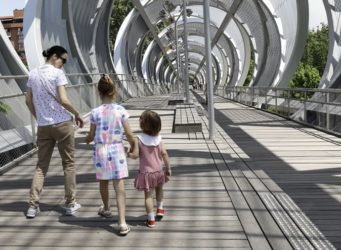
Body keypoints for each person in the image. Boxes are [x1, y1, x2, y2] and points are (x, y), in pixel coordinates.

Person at [25, 45, 84, 218]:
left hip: (43, 126)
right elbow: (64, 100)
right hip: (62, 124)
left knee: (41, 167)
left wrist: (40, 117)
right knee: (69, 164)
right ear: (55, 57)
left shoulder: (33, 73)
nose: (63, 64)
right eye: (63, 60)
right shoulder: (57, 74)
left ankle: (32, 206)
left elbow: (28, 100)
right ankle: (70, 203)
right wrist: (77, 114)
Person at [85, 74, 137, 236]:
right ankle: (122, 222)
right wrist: (134, 145)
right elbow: (129, 133)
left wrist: (87, 140)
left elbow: (91, 136)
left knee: (103, 182)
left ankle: (107, 209)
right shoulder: (120, 110)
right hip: (117, 150)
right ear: (114, 91)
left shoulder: (95, 112)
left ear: (99, 92)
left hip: (101, 150)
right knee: (119, 185)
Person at [132, 110, 171, 228]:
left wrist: (128, 154)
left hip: (146, 174)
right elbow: (164, 153)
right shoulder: (158, 139)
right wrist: (168, 168)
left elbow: (135, 156)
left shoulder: (138, 139)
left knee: (148, 197)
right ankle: (160, 208)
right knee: (159, 190)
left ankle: (151, 220)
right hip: (158, 172)